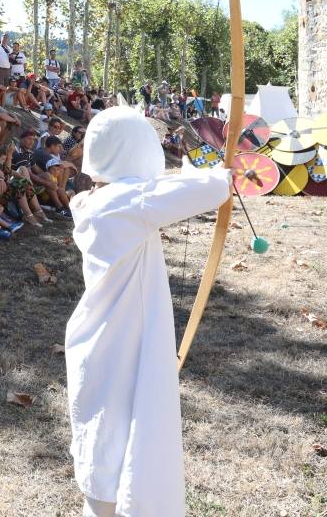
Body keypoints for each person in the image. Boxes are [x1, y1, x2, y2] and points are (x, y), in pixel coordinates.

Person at [64, 105, 230, 517]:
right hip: (121, 341)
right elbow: (207, 191)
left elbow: (156, 190)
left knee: (104, 435)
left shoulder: (93, 199)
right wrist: (224, 175)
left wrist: (209, 173)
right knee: (115, 434)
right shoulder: (127, 203)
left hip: (101, 337)